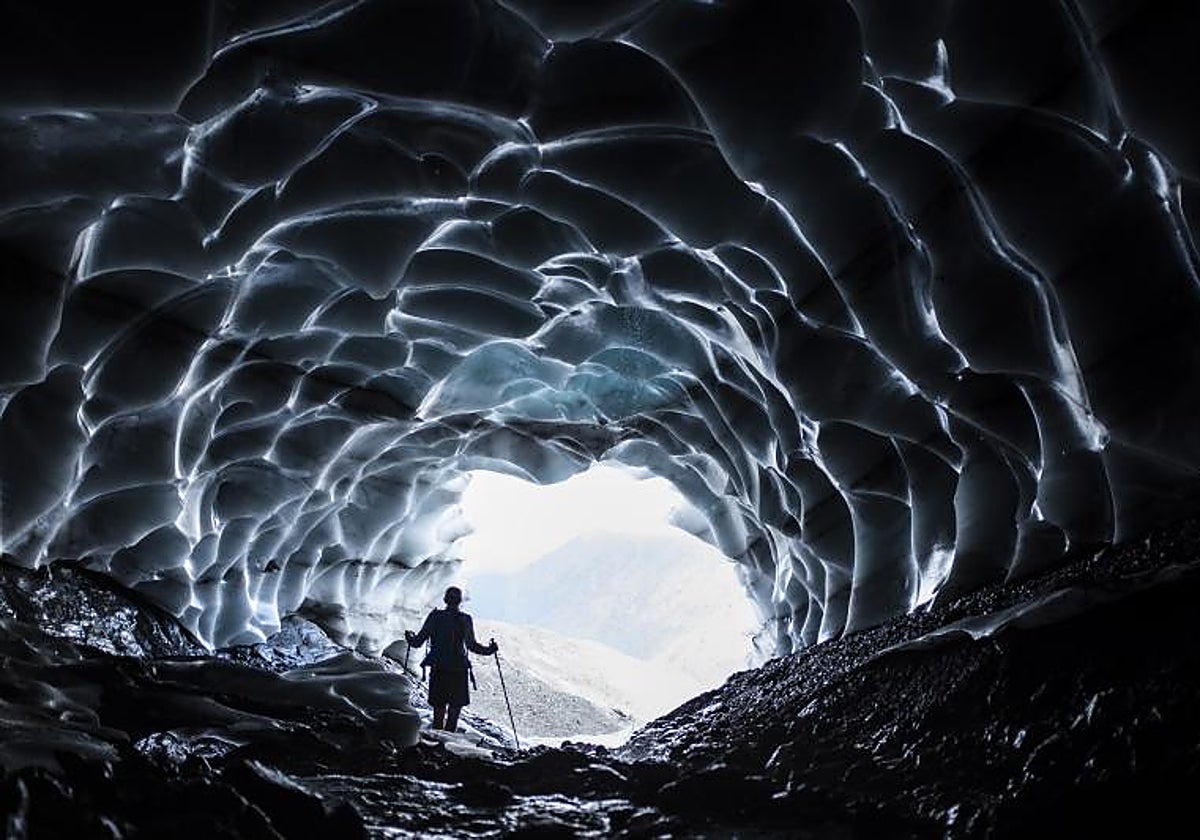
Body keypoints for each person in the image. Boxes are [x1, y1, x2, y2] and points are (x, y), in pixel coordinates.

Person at [405, 586, 498, 733]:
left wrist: (410, 638)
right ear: (460, 601)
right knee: (454, 709)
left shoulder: (435, 617)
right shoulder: (465, 619)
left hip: (439, 669)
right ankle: (448, 740)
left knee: (438, 708)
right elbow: (472, 645)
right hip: (458, 670)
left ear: (445, 600)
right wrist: (490, 650)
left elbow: (417, 642)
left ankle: (436, 742)